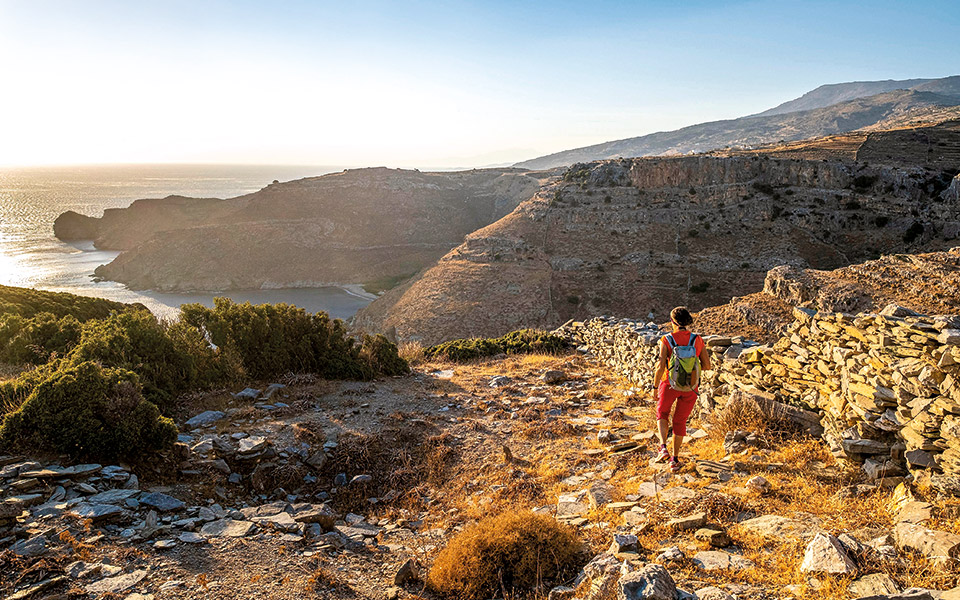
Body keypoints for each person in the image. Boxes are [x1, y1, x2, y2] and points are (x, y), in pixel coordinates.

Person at [652, 306, 711, 472]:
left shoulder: (667, 339)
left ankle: (663, 447)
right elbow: (707, 365)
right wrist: (690, 367)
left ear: (672, 322)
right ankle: (675, 459)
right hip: (690, 386)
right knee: (679, 421)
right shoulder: (697, 340)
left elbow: (660, 366)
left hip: (669, 384)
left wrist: (655, 387)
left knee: (662, 413)